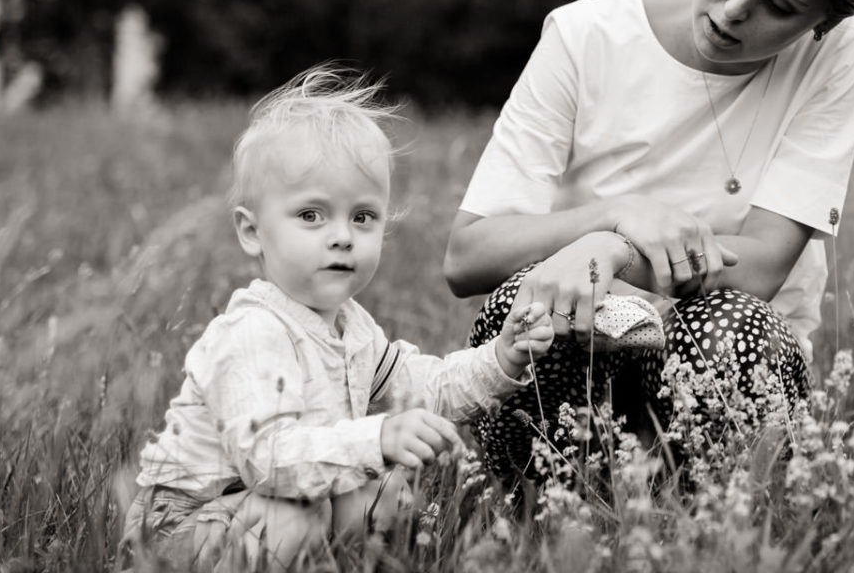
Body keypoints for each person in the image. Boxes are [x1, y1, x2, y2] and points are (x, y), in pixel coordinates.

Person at [443, 0, 854, 477]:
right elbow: (467, 256)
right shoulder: (585, 35)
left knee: (738, 325)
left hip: (726, 353)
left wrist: (615, 252)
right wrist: (610, 221)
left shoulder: (840, 48)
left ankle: (703, 502)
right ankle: (552, 503)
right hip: (590, 338)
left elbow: (761, 267)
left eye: (779, 6)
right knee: (535, 304)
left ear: (821, 22)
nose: (735, 8)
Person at [124, 68, 554, 570]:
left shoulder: (353, 329)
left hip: (270, 501)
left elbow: (424, 387)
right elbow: (268, 462)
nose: (343, 236)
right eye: (311, 215)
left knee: (383, 494)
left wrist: (500, 358)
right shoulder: (253, 332)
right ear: (251, 232)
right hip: (178, 527)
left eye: (362, 217)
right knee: (297, 517)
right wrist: (377, 438)